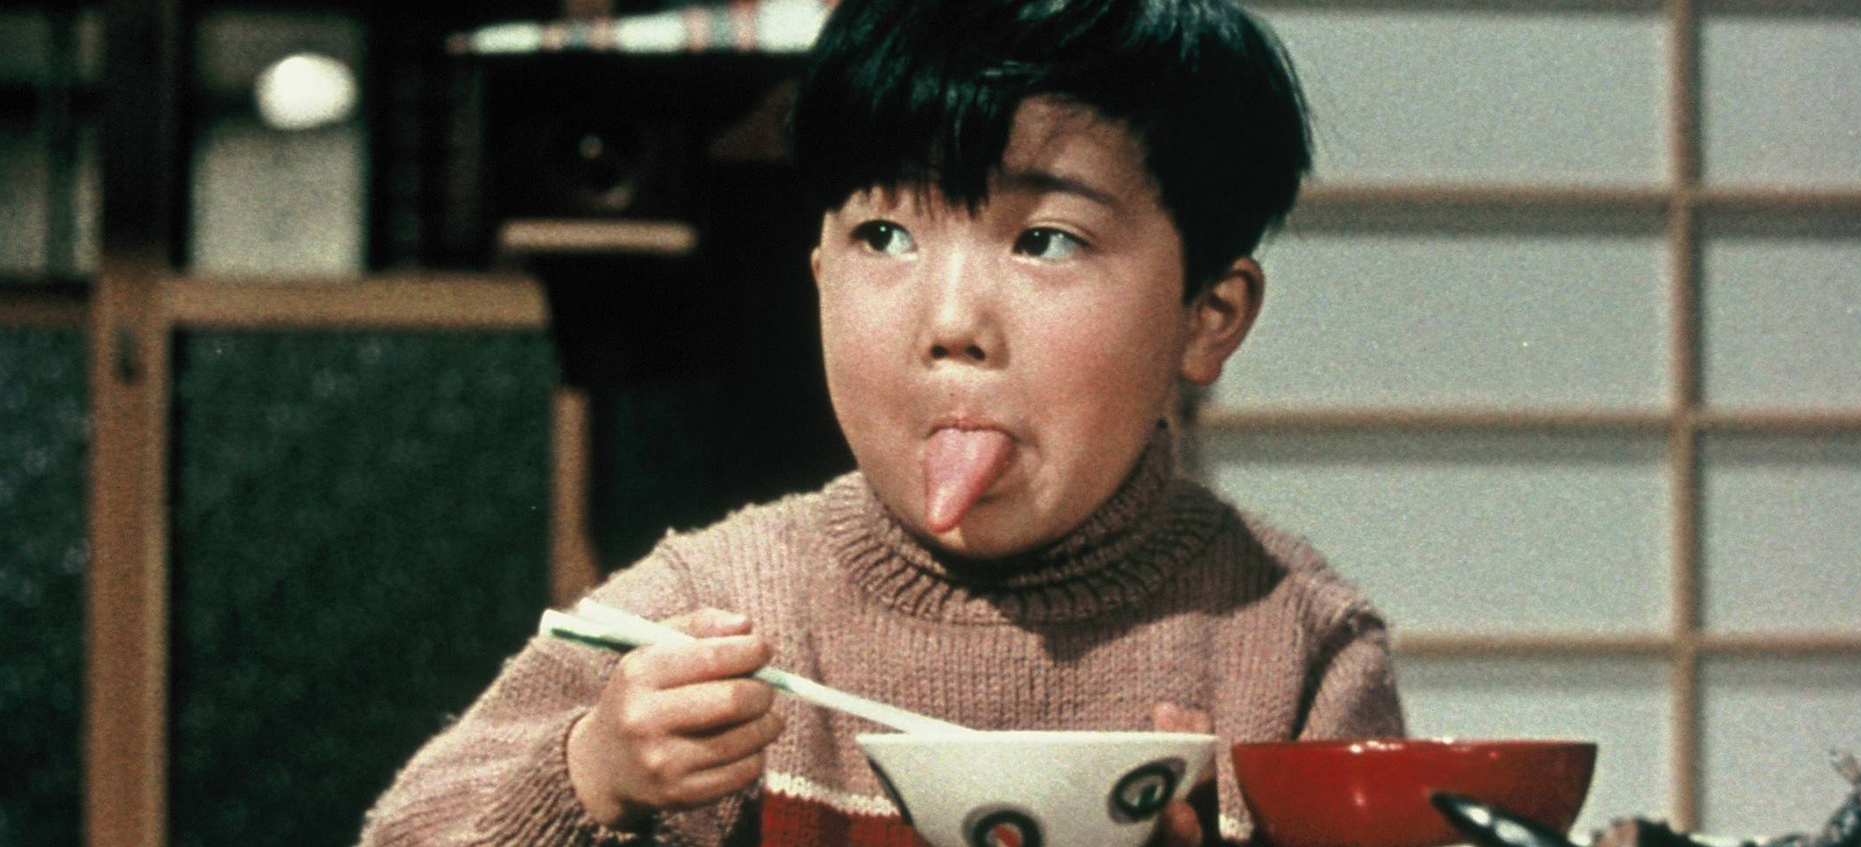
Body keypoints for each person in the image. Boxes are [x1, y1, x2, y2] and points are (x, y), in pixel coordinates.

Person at [357, 0, 1403, 843]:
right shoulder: (707, 613)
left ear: (1208, 318)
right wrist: (591, 773)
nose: (951, 324)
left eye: (1044, 240)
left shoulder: (1298, 645)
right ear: (819, 274)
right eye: (886, 235)